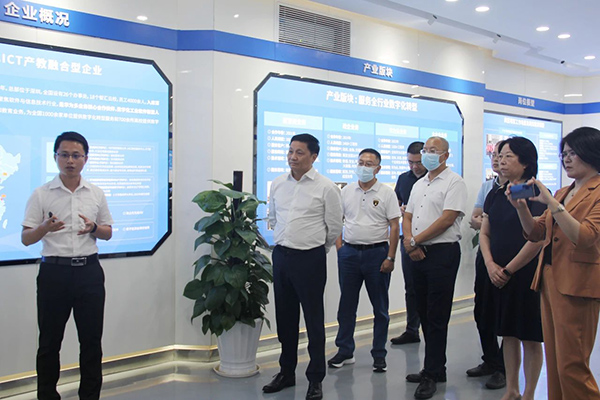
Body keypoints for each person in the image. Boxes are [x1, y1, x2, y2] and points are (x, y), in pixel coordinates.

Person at [509, 127, 600, 400]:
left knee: (572, 364)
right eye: (564, 154)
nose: (566, 159)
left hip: (577, 284)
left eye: (573, 153)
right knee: (556, 360)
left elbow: (585, 237)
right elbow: (536, 233)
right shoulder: (564, 192)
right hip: (549, 278)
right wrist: (522, 209)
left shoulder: (595, 192)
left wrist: (551, 203)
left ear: (591, 153)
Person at [22, 131, 113, 400]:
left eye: (76, 155)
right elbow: (26, 238)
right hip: (54, 273)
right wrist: (44, 228)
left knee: (91, 343)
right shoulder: (41, 194)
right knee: (49, 343)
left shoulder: (96, 193)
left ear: (85, 159)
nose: (70, 161)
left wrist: (94, 228)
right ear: (55, 157)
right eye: (64, 155)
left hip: (89, 273)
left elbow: (108, 232)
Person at [263, 133, 343, 400]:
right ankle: (286, 372)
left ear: (313, 156)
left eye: (299, 152)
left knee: (313, 320)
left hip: (310, 259)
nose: (293, 157)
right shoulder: (278, 183)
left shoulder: (326, 187)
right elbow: (273, 217)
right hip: (282, 256)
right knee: (285, 319)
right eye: (290, 151)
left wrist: (318, 248)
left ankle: (315, 378)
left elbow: (334, 226)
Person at [402, 136, 467, 399]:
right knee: (423, 312)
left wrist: (415, 240)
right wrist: (410, 242)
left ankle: (431, 373)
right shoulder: (419, 184)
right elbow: (407, 215)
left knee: (437, 315)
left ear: (445, 155)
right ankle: (435, 367)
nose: (427, 154)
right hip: (416, 253)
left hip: (442, 253)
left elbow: (447, 219)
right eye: (425, 150)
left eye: (433, 150)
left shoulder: (454, 182)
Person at [481, 137, 545, 400]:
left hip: (525, 274)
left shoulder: (535, 193)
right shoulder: (497, 193)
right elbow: (485, 232)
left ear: (526, 162)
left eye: (508, 156)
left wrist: (508, 270)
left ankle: (529, 393)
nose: (501, 161)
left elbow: (538, 239)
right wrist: (490, 265)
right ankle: (512, 389)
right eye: (500, 156)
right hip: (497, 273)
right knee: (507, 334)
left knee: (529, 336)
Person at [327, 148, 401, 372]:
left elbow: (394, 225)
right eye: (361, 162)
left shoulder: (386, 193)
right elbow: (338, 220)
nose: (364, 167)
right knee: (346, 306)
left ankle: (379, 354)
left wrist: (390, 257)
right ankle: (345, 350)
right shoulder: (346, 191)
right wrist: (340, 248)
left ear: (378, 168)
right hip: (349, 254)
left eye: (369, 164)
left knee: (380, 308)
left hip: (377, 254)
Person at [466, 141, 507, 390]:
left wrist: (489, 224)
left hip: (509, 258)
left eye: (503, 156)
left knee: (506, 314)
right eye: (495, 156)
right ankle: (490, 360)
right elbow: (474, 219)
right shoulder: (488, 188)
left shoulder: (523, 189)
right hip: (485, 255)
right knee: (483, 310)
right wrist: (491, 225)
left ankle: (504, 367)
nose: (497, 160)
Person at [390, 141, 427, 345]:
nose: (415, 167)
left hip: (430, 241)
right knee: (411, 287)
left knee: (430, 289)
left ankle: (430, 329)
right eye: (411, 162)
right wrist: (400, 210)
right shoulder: (404, 179)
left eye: (418, 162)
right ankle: (412, 329)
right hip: (408, 239)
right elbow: (395, 204)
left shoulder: (436, 180)